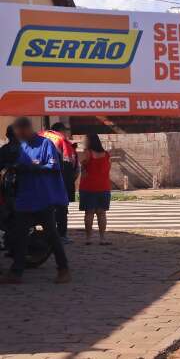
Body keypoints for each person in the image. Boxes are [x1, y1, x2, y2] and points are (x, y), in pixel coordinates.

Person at [0, 117, 70, 284]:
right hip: (25, 198)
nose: (19, 136)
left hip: (42, 198)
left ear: (27, 129)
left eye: (20, 132)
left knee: (52, 235)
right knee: (20, 234)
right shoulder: (23, 146)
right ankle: (16, 272)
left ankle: (64, 269)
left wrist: (33, 167)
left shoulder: (45, 144)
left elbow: (53, 167)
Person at [41, 122, 79, 244]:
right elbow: (70, 164)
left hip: (41, 182)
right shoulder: (62, 140)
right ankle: (61, 236)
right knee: (61, 209)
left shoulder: (41, 137)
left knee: (46, 210)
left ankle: (47, 234)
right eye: (66, 131)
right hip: (59, 182)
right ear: (61, 130)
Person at [79, 134, 111, 245]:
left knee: (89, 213)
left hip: (88, 187)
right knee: (102, 213)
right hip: (103, 186)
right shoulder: (106, 154)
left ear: (89, 142)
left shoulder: (87, 153)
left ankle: (89, 238)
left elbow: (81, 166)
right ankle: (102, 238)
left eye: (85, 140)